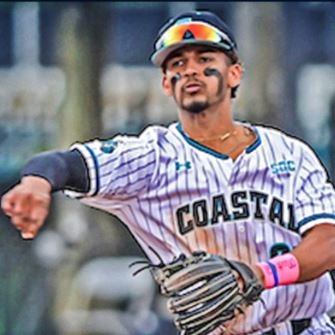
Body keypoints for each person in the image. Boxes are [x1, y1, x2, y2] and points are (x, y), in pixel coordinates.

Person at [2, 10, 335, 335]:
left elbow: (329, 242)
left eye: (205, 60)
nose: (191, 70)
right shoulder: (152, 159)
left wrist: (260, 275)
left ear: (234, 73)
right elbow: (66, 163)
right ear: (166, 83)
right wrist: (36, 182)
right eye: (178, 64)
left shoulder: (290, 154)